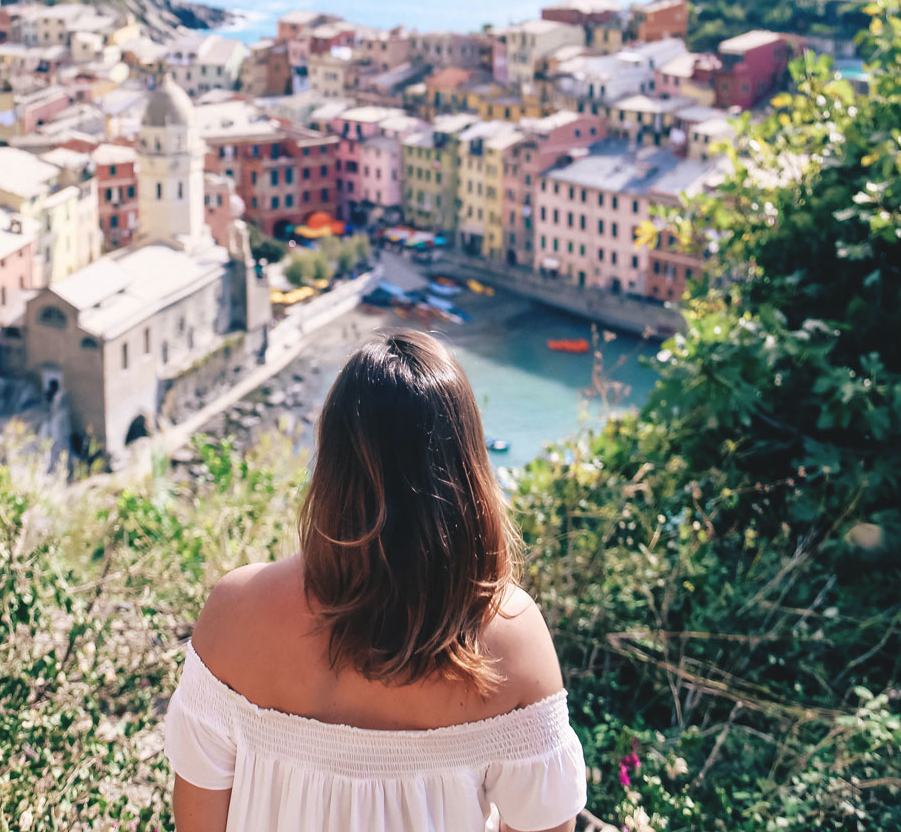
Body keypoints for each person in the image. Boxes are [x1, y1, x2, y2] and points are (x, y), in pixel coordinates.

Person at [164, 330, 587, 831]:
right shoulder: (511, 641)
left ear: (331, 465)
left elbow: (198, 823)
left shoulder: (236, 615)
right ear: (466, 468)